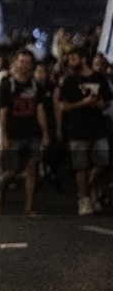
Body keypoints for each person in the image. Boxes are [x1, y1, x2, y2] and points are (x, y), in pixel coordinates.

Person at [57, 47, 112, 215]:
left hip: (97, 127)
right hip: (77, 128)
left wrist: (100, 104)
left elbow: (107, 100)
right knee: (81, 166)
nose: (71, 62)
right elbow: (63, 106)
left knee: (102, 162)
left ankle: (86, 191)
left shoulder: (98, 78)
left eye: (74, 58)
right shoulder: (70, 81)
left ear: (83, 59)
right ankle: (84, 200)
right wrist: (83, 103)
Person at [0, 49, 48, 218]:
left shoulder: (35, 86)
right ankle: (0, 193)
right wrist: (4, 136)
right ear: (15, 63)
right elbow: (3, 112)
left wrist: (45, 133)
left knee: (33, 169)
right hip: (14, 134)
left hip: (32, 133)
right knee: (13, 171)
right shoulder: (7, 85)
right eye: (21, 62)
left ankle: (29, 208)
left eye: (27, 63)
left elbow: (40, 110)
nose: (24, 66)